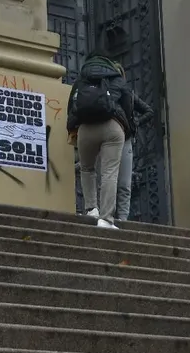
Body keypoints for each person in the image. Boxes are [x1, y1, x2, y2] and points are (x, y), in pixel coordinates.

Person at [66, 27, 133, 230]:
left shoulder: (81, 80)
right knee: (110, 172)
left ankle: (91, 209)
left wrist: (72, 129)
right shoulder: (117, 78)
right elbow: (129, 107)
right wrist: (127, 129)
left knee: (87, 169)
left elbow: (72, 107)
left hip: (86, 129)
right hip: (112, 127)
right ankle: (106, 218)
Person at [94, 63, 154, 222]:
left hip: (126, 140)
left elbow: (149, 111)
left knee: (124, 183)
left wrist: (136, 122)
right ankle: (107, 215)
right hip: (106, 140)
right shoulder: (104, 93)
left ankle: (122, 219)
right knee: (106, 179)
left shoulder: (129, 94)